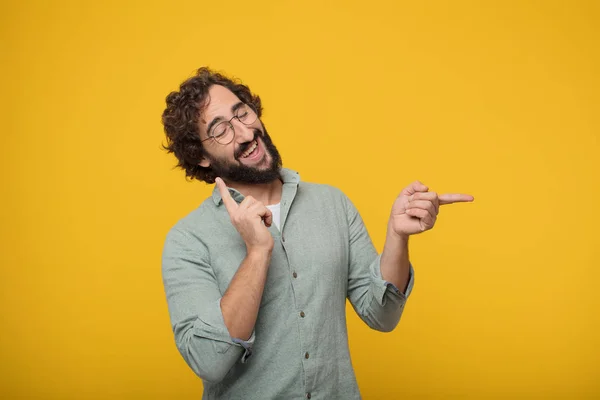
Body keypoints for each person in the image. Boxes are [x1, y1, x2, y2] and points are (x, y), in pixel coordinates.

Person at [161, 67, 474, 399]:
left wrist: (397, 237)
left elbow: (382, 315)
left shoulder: (332, 204)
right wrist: (257, 252)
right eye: (221, 130)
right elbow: (210, 362)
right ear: (201, 157)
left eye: (242, 113)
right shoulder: (187, 240)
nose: (244, 133)